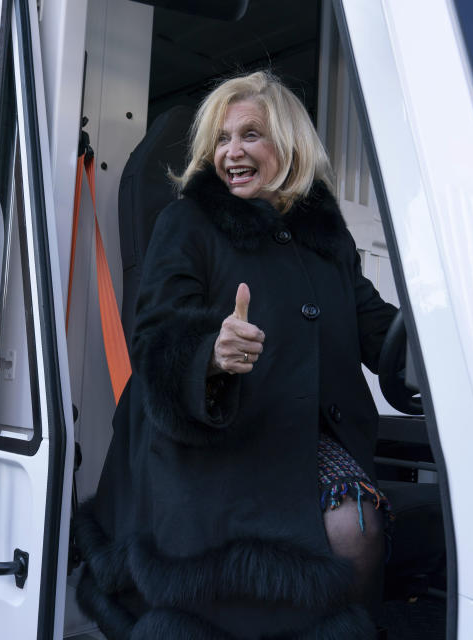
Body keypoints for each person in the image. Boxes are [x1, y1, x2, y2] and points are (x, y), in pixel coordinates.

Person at [75, 71, 398, 639]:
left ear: (290, 146)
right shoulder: (186, 223)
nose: (232, 152)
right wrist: (211, 356)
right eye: (221, 139)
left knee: (357, 527)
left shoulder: (330, 239)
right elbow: (155, 340)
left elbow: (379, 327)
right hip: (208, 435)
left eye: (251, 135)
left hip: (302, 434)